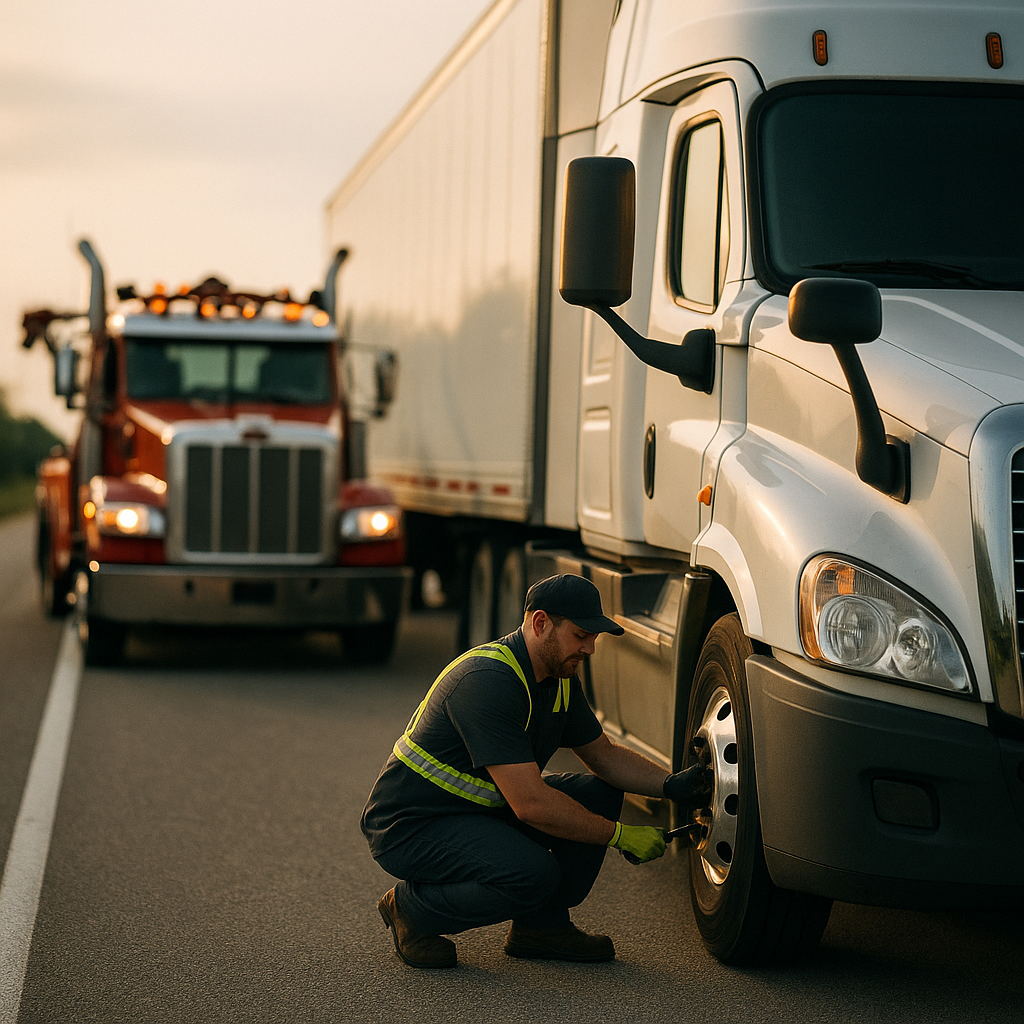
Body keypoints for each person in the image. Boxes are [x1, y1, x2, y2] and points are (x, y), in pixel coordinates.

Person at [360, 573, 711, 968]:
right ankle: (411, 909)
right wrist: (620, 836)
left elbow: (605, 757)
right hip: (412, 825)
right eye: (581, 635)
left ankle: (541, 927)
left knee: (600, 793)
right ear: (541, 623)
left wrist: (669, 784)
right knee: (533, 874)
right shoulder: (488, 682)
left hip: (480, 809)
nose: (590, 648)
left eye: (594, 638)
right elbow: (530, 804)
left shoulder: (558, 676)